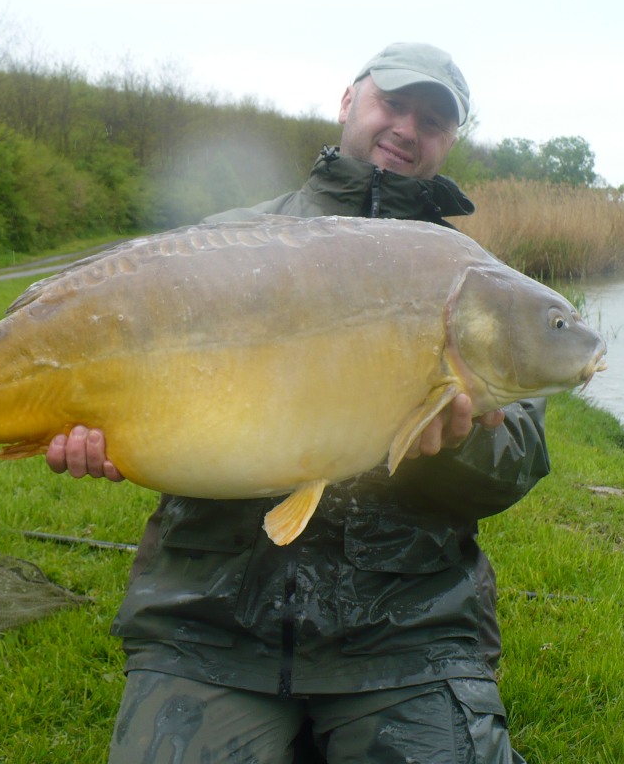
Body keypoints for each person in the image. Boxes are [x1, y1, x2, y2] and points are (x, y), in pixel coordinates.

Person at [48, 43, 547, 763]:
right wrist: (103, 434)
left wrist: (458, 441)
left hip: (409, 635)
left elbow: (521, 460)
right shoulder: (227, 243)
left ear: (450, 140)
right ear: (350, 102)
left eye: (433, 119)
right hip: (208, 619)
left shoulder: (479, 285)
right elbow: (140, 374)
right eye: (394, 103)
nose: (408, 127)